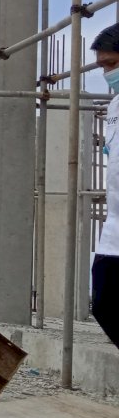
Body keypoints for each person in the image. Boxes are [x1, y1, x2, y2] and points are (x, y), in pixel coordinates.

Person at [91, 24, 119, 350]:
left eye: (111, 64)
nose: (108, 72)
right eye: (103, 67)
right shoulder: (114, 106)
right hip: (114, 225)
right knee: (104, 304)